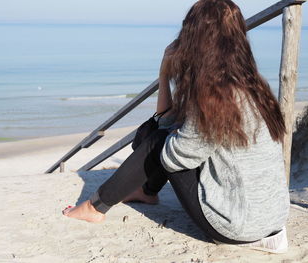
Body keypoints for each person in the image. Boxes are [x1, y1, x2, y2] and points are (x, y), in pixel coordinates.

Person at [62, 0, 290, 253]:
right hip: (271, 217)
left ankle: (95, 207)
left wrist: (162, 138)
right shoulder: (249, 84)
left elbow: (174, 156)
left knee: (157, 142)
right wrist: (164, 74)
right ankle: (147, 192)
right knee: (155, 135)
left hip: (237, 225)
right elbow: (166, 121)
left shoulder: (218, 93)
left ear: (195, 36)